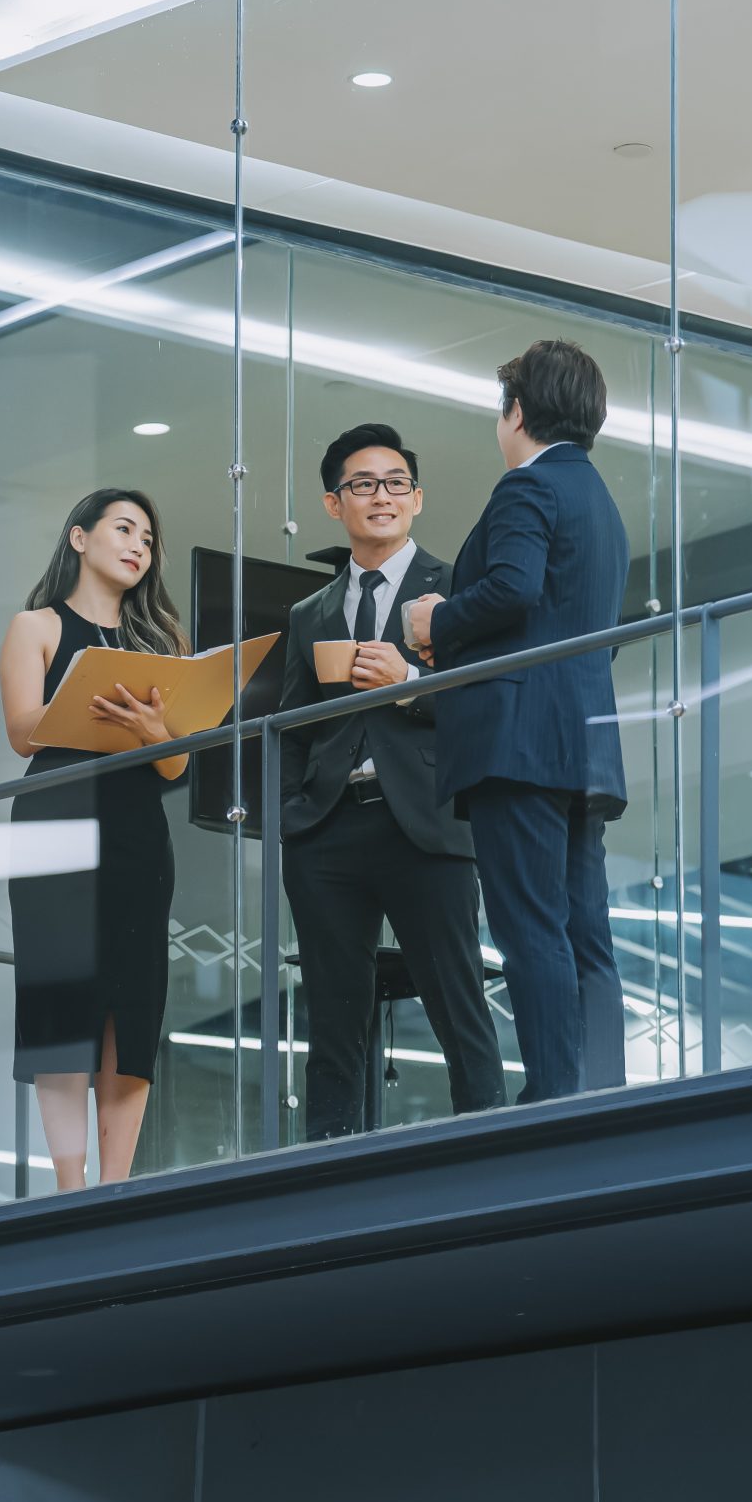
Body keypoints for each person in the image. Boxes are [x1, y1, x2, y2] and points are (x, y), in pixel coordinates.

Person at [405, 340, 629, 1103]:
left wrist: (437, 619)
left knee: (530, 925)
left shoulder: (525, 490)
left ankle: (555, 1099)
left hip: (518, 744)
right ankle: (598, 1091)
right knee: (583, 933)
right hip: (585, 745)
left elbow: (511, 588)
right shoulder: (601, 502)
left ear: (519, 412)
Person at [275, 423, 506, 1140]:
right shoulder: (308, 613)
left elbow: (489, 699)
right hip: (328, 830)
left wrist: (410, 682)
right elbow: (288, 723)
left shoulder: (457, 588)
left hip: (428, 822)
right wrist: (291, 811)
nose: (381, 496)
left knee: (457, 1004)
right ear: (332, 504)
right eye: (363, 484)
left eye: (395, 483)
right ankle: (325, 1176)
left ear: (417, 498)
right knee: (333, 1020)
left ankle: (489, 1158)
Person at [0, 489, 190, 1191]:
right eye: (123, 528)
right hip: (57, 822)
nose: (139, 544)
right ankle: (69, 1189)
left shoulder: (162, 645)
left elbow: (176, 765)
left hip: (138, 832)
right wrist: (93, 700)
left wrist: (153, 732)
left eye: (148, 535)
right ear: (79, 538)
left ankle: (116, 1186)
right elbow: (23, 730)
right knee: (63, 1002)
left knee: (131, 1008)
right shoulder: (37, 626)